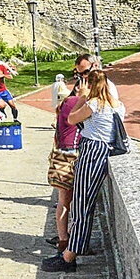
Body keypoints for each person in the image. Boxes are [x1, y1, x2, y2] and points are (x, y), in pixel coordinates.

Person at [41, 69, 123, 273]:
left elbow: (71, 119)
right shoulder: (118, 106)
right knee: (84, 204)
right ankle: (76, 248)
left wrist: (82, 97)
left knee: (80, 205)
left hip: (92, 151)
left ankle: (69, 257)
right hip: (105, 150)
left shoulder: (94, 105)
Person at [49, 81, 82, 253]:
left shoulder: (66, 103)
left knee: (65, 199)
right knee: (71, 200)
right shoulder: (75, 101)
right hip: (71, 154)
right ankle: (66, 239)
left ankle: (64, 238)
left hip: (62, 152)